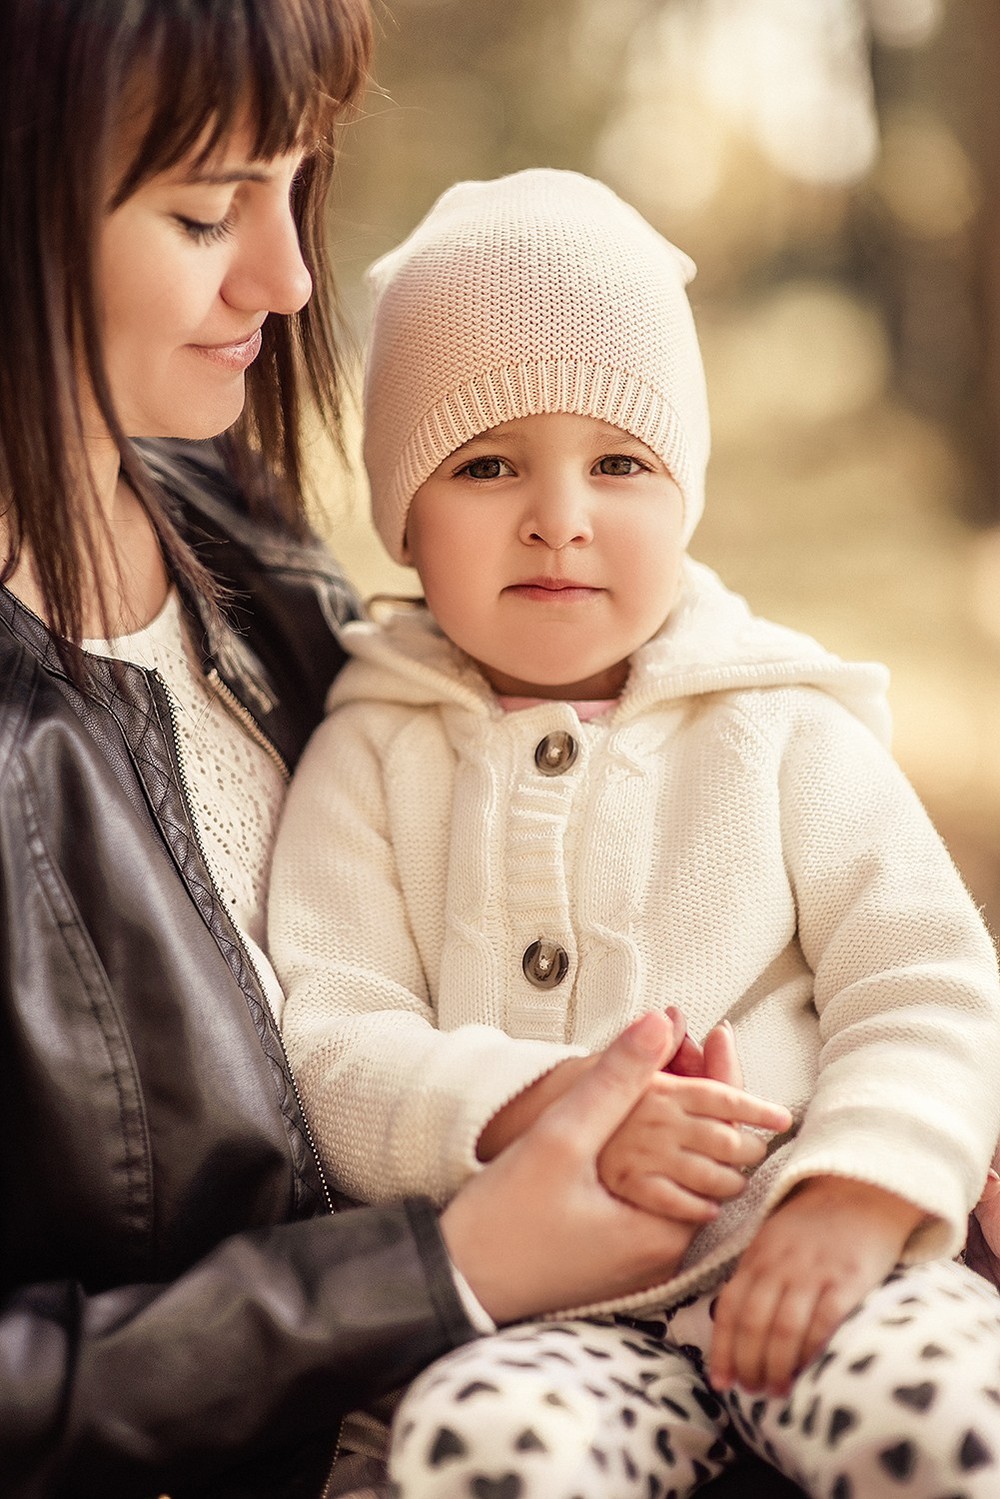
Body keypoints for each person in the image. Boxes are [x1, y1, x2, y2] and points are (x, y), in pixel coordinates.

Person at [0, 11, 725, 1495]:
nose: (291, 278)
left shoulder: (243, 530)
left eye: (295, 181)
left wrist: (888, 1127)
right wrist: (441, 1269)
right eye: (206, 210)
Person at [269, 169, 1000, 1498]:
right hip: (546, 1321)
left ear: (687, 495)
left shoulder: (780, 720)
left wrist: (861, 1190)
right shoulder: (368, 750)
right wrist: (527, 1104)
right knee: (477, 1452)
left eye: (621, 462)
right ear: (404, 518)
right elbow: (330, 1035)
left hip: (803, 1258)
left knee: (945, 1417)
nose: (562, 514)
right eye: (488, 465)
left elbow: (926, 975)